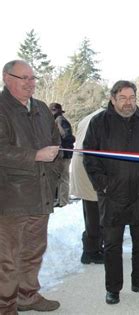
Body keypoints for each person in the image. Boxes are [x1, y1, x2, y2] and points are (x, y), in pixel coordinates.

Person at [83, 80, 139, 305]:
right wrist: (103, 185)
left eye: (132, 98)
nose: (128, 103)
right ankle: (113, 288)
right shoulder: (99, 122)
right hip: (112, 195)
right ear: (113, 99)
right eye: (123, 98)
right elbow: (89, 156)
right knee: (113, 245)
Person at [0, 59, 61, 313]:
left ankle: (27, 295)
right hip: (11, 198)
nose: (30, 83)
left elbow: (57, 143)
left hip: (41, 193)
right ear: (6, 78)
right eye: (24, 78)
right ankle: (5, 305)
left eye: (33, 78)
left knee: (34, 251)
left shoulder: (42, 109)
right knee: (8, 258)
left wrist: (54, 173)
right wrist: (35, 155)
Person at [70, 108, 105, 264]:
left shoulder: (90, 116)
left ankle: (94, 248)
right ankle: (91, 251)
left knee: (92, 214)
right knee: (96, 215)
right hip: (91, 172)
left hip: (85, 170)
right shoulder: (103, 119)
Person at [49, 102, 75, 207]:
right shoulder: (58, 120)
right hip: (61, 154)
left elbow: (65, 136)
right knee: (61, 177)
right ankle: (61, 200)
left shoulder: (58, 120)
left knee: (61, 178)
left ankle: (61, 200)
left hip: (61, 154)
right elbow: (65, 136)